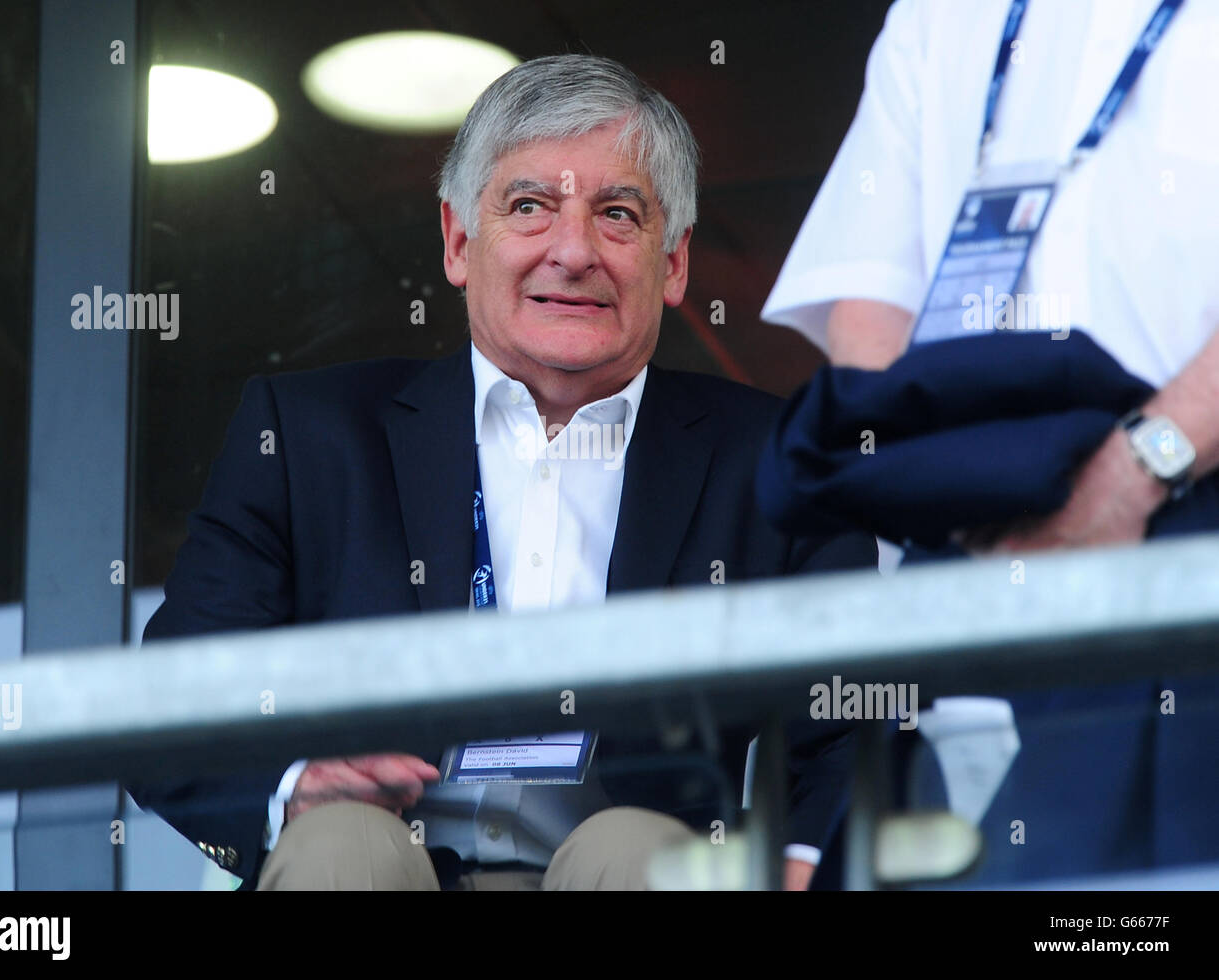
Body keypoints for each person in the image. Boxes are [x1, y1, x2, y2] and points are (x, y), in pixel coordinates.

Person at [127, 54, 876, 891]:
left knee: (639, 851)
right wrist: (292, 791)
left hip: (622, 872)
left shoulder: (780, 461)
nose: (573, 251)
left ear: (672, 264)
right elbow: (166, 700)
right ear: (458, 241)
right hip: (380, 866)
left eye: (618, 214)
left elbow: (855, 718)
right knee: (346, 850)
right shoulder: (306, 438)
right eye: (529, 207)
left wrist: (803, 864)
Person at [759, 0, 1219, 880]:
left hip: (1194, 534)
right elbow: (867, 302)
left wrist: (1140, 466)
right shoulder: (938, 13)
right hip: (980, 558)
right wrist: (954, 486)